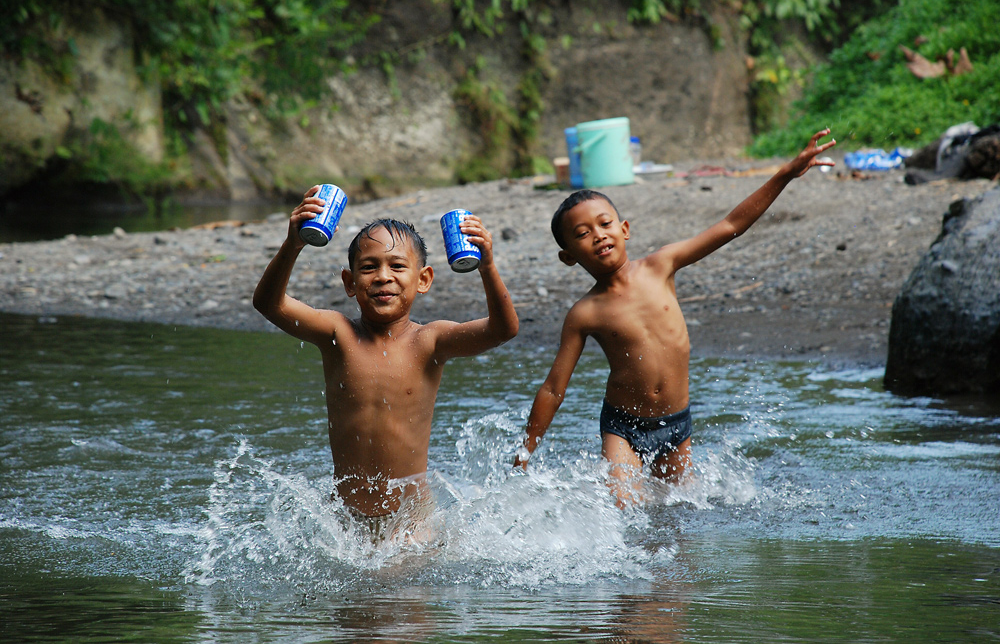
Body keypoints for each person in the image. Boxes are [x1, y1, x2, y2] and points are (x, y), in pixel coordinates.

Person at [513, 129, 836, 506]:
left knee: (678, 519)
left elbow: (730, 226)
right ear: (569, 255)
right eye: (582, 234)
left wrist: (785, 174)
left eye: (604, 224)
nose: (598, 235)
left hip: (676, 424)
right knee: (626, 513)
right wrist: (525, 454)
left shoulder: (660, 265)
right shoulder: (584, 313)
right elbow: (554, 388)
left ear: (624, 229)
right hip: (622, 427)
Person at [254, 186, 518, 539]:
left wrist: (486, 265)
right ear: (350, 282)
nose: (382, 276)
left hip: (412, 524)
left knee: (402, 594)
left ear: (423, 280)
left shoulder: (430, 341)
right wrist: (293, 244)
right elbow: (269, 304)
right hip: (346, 522)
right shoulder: (337, 334)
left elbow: (503, 330)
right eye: (368, 267)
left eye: (397, 266)